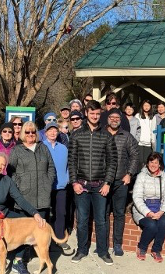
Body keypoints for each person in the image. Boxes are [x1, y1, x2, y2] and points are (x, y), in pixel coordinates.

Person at [0, 152, 45, 274]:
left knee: (25, 226)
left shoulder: (7, 181)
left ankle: (18, 260)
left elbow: (20, 199)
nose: (0, 166)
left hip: (3, 214)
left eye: (3, 164)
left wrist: (35, 213)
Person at [69, 101, 118, 265]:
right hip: (81, 185)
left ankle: (103, 252)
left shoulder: (106, 136)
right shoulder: (76, 135)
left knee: (101, 221)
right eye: (92, 113)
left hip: (100, 186)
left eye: (97, 113)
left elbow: (112, 162)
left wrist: (108, 183)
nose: (95, 116)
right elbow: (72, 161)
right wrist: (74, 182)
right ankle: (81, 250)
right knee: (82, 220)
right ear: (86, 113)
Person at [105, 109, 139, 256]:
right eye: (111, 117)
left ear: (120, 120)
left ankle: (117, 244)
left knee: (119, 213)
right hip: (103, 181)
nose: (114, 119)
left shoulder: (127, 136)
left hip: (120, 181)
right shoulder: (101, 134)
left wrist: (129, 174)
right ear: (108, 119)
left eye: (117, 117)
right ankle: (103, 243)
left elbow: (135, 156)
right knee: (103, 213)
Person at [8, 121, 55, 218]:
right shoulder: (16, 150)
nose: (30, 134)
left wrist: (48, 183)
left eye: (33, 132)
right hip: (24, 197)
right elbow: (11, 171)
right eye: (27, 132)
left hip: (43, 196)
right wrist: (19, 185)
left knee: (41, 229)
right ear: (23, 133)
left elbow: (51, 167)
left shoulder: (43, 148)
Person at [132, 152, 165, 262]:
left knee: (164, 222)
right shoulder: (141, 176)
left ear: (160, 164)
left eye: (156, 162)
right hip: (143, 208)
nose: (153, 164)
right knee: (151, 225)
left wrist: (162, 211)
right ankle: (142, 247)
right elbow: (137, 196)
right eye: (151, 162)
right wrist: (147, 212)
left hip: (160, 208)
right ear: (147, 163)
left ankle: (156, 249)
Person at [41, 122, 71, 251]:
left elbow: (68, 165)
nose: (53, 133)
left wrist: (67, 178)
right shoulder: (41, 146)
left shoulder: (63, 148)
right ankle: (45, 238)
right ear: (46, 132)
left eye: (55, 130)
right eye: (50, 130)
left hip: (61, 186)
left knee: (61, 212)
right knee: (46, 213)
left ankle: (59, 238)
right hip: (46, 185)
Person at [135, 100, 157, 167]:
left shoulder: (153, 117)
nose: (146, 107)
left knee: (146, 160)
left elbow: (154, 129)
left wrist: (152, 141)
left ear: (150, 106)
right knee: (139, 160)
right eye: (145, 105)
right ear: (142, 106)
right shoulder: (138, 116)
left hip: (148, 143)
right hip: (139, 142)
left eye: (148, 105)